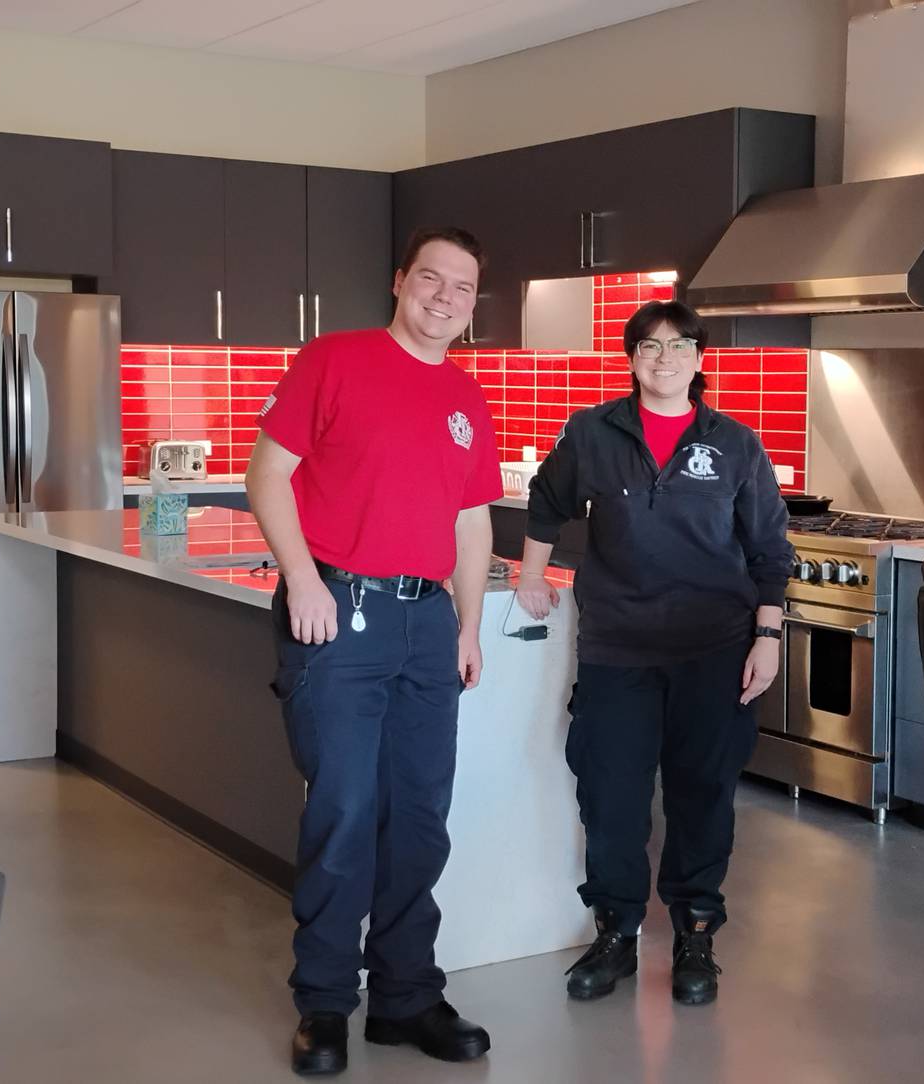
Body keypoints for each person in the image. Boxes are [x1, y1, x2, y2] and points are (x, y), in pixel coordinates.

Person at [247, 226, 502, 1076]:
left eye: (461, 287)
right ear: (400, 283)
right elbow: (267, 473)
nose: (443, 296)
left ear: (472, 306)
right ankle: (325, 1003)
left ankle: (405, 997)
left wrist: (467, 626)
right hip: (338, 613)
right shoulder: (335, 358)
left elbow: (472, 523)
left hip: (428, 625)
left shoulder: (469, 397)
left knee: (420, 819)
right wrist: (302, 578)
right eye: (430, 278)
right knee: (345, 812)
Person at [515, 299, 791, 1006]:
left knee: (704, 797)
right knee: (611, 798)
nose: (664, 359)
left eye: (679, 347)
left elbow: (768, 549)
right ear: (632, 357)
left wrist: (768, 634)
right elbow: (546, 502)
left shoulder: (734, 443)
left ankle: (697, 934)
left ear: (701, 359)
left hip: (716, 651)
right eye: (649, 347)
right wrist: (530, 572)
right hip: (618, 650)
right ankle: (617, 934)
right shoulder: (593, 432)